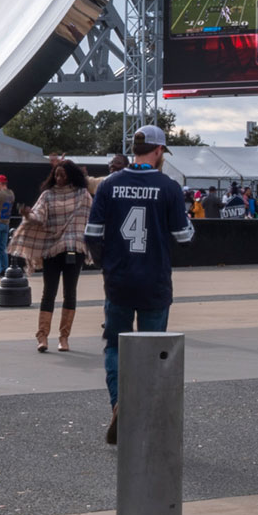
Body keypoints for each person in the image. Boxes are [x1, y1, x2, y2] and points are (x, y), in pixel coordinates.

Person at [85, 126, 193, 445]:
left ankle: (120, 403)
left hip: (119, 280)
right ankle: (144, 415)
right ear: (159, 151)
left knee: (115, 345)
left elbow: (91, 234)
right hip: (154, 281)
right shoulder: (169, 187)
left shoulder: (110, 184)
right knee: (152, 350)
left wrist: (108, 264)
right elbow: (184, 237)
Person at [14, 159, 93, 352]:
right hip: (51, 248)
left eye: (63, 175)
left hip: (74, 248)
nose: (58, 178)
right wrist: (28, 215)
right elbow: (39, 216)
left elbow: (92, 217)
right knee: (49, 292)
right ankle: (42, 336)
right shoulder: (48, 195)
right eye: (56, 175)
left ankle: (64, 338)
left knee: (70, 292)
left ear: (71, 176)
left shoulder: (82, 195)